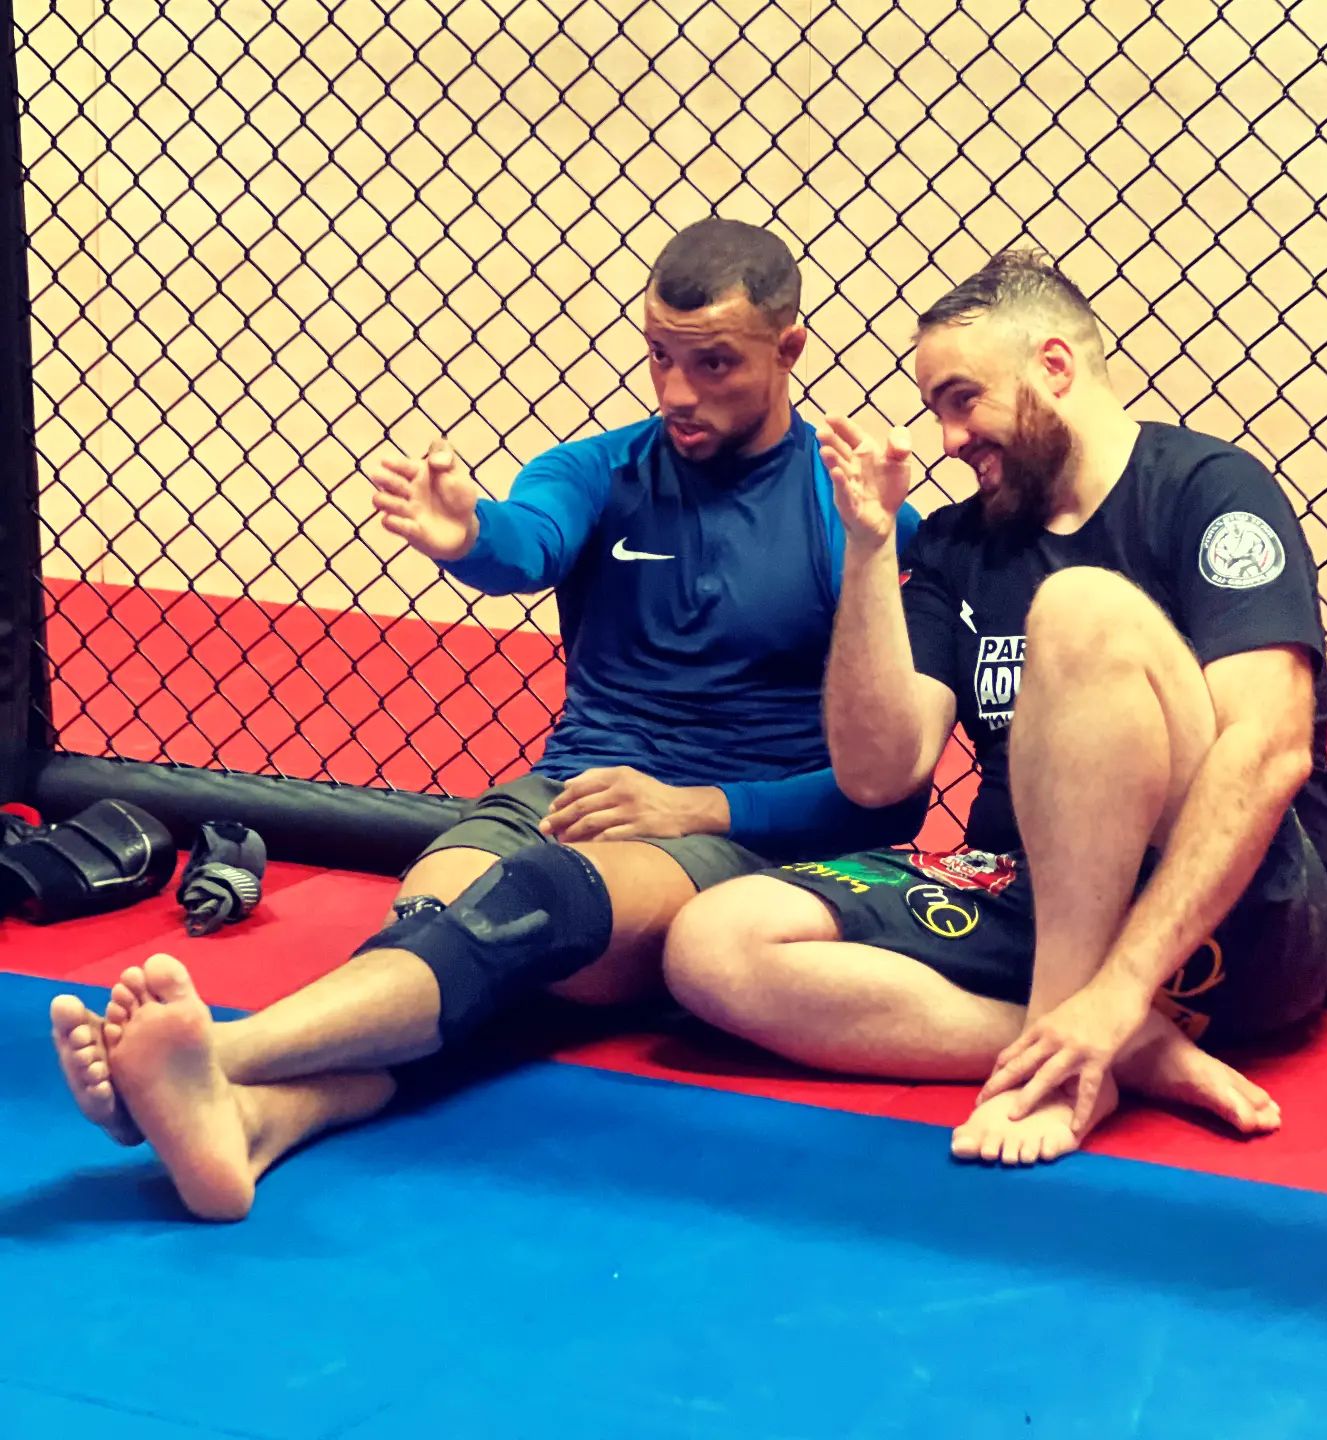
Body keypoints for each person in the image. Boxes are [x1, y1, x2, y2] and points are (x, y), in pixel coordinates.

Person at [48, 218, 925, 1219]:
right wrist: (468, 536)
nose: (679, 391)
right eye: (660, 357)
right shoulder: (598, 471)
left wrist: (699, 808)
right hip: (564, 796)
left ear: (789, 348)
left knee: (521, 910)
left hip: (729, 836)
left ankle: (226, 1052)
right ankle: (255, 1118)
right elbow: (527, 540)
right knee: (442, 928)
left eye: (714, 363)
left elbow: (877, 792)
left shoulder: (852, 514)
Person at [663, 248, 1327, 1166]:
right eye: (936, 410)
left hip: (1239, 917)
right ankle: (1109, 1049)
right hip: (1029, 892)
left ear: (1054, 368)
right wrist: (869, 551)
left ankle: (1071, 1054)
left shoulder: (1205, 491)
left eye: (963, 399)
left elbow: (1268, 753)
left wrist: (1121, 986)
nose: (949, 439)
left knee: (1081, 608)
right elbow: (879, 774)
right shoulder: (959, 543)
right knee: (712, 943)